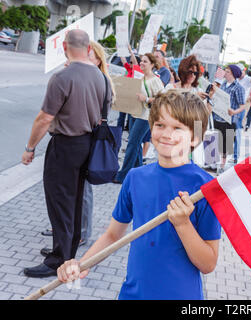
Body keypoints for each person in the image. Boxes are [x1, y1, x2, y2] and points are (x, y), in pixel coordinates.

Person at [57, 90, 222, 300]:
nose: (166, 134)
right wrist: (81, 264)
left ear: (195, 137)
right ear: (151, 127)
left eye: (178, 128)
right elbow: (113, 235)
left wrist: (183, 224)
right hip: (133, 293)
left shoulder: (205, 188)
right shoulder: (135, 177)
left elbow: (208, 263)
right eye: (160, 125)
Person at [21, 30, 112, 278]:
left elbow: (45, 118)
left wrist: (30, 148)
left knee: (60, 201)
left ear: (64, 46)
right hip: (88, 145)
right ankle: (66, 251)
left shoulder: (63, 76)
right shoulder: (102, 78)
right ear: (88, 48)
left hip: (65, 145)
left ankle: (58, 260)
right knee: (74, 200)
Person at [114, 53, 164, 184]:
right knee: (135, 144)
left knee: (132, 143)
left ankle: (123, 175)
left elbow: (162, 99)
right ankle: (139, 173)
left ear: (152, 65)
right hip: (134, 113)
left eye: (145, 62)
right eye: (141, 61)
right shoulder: (140, 78)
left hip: (146, 116)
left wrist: (146, 99)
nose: (141, 63)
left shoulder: (156, 80)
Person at [213, 64, 246, 174]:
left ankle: (221, 166)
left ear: (233, 74)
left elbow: (242, 106)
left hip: (229, 120)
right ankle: (213, 163)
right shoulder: (222, 84)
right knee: (216, 141)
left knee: (226, 145)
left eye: (227, 72)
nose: (225, 73)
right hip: (217, 117)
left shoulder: (239, 88)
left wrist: (234, 112)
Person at [118, 45, 142, 131]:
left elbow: (134, 61)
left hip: (133, 98)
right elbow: (123, 60)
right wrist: (120, 49)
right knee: (121, 116)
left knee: (130, 117)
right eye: (130, 63)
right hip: (125, 97)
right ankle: (118, 131)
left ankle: (130, 132)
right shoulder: (129, 70)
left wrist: (130, 50)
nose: (130, 64)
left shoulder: (138, 70)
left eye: (131, 63)